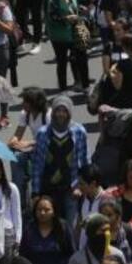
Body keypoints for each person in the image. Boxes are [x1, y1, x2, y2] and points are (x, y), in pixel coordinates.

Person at [31, 96, 89, 224]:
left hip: (71, 188)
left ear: (69, 113)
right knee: (50, 224)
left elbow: (84, 162)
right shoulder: (43, 133)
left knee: (71, 227)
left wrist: (81, 186)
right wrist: (35, 192)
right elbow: (37, 165)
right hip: (48, 187)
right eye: (58, 110)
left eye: (64, 111)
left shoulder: (79, 132)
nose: (61, 114)